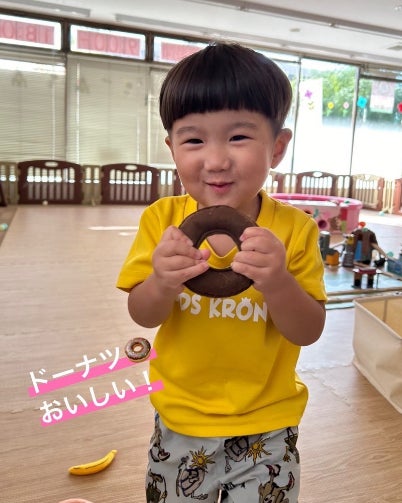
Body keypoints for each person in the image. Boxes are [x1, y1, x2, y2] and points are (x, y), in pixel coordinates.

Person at [117, 42, 327, 503]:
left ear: (277, 147)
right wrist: (161, 282)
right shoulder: (162, 221)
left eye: (238, 137)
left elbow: (308, 330)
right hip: (180, 418)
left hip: (267, 424)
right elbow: (143, 314)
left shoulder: (296, 230)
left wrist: (279, 283)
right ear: (172, 148)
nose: (215, 160)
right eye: (194, 140)